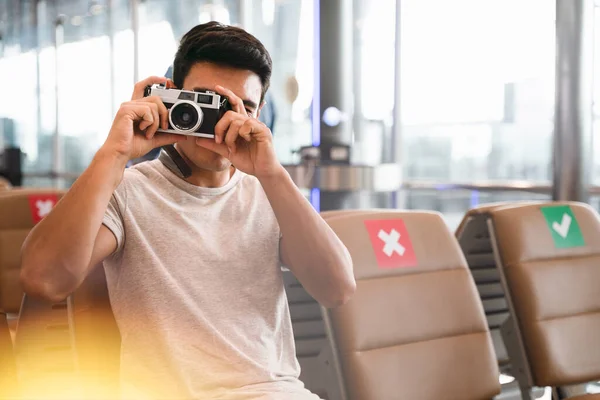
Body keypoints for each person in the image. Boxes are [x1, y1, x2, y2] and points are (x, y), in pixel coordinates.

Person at [19, 21, 355, 400]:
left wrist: (272, 173)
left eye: (240, 108)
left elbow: (337, 289)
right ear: (171, 97)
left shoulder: (268, 192)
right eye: (205, 102)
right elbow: (42, 280)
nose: (220, 125)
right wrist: (115, 154)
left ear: (259, 114)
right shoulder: (129, 190)